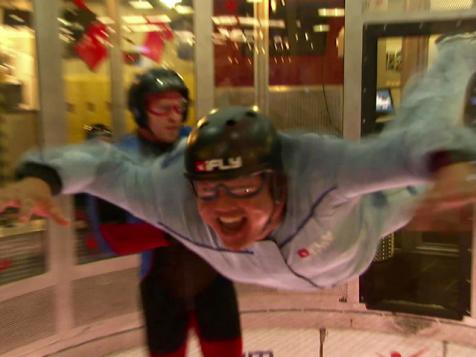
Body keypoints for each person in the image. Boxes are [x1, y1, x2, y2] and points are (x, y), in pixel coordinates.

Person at [2, 33, 476, 292]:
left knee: (419, 180)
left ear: (279, 180)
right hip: (298, 263)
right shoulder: (175, 194)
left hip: (361, 231)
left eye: (243, 187)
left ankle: (460, 50)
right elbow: (104, 166)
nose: (222, 207)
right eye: (209, 190)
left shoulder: (317, 169)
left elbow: (405, 142)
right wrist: (42, 178)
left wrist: (448, 161)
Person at [78, 70, 243, 357]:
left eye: (179, 107)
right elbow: (111, 237)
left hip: (215, 283)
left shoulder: (202, 145)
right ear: (141, 112)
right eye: (163, 108)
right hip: (162, 290)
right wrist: (177, 227)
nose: (174, 116)